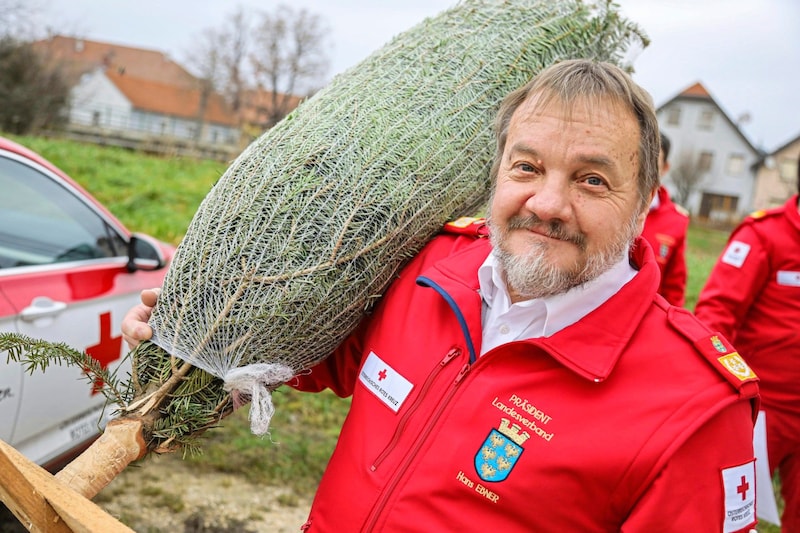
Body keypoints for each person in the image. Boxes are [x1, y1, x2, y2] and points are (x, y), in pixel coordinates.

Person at [123, 59, 760, 532]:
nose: (546, 204)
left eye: (592, 180)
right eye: (527, 167)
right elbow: (323, 359)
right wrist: (203, 341)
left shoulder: (697, 410)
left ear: (647, 203)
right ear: (498, 169)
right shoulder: (429, 268)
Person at [695, 161, 800, 532]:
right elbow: (716, 313)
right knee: (728, 515)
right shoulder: (765, 234)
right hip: (763, 411)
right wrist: (729, 393)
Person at [640, 132, 690, 306]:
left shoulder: (676, 221)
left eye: (654, 162)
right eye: (641, 158)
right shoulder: (606, 207)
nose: (645, 168)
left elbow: (674, 290)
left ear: (665, 168)